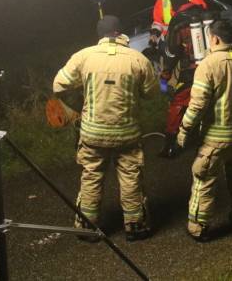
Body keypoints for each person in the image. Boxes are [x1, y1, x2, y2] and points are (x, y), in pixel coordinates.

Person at [52, 16, 158, 242]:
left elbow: (58, 84)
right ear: (120, 33)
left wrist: (81, 90)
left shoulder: (83, 56)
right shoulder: (137, 59)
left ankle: (88, 228)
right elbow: (151, 93)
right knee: (130, 177)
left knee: (91, 177)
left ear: (99, 35)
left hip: (92, 133)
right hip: (127, 133)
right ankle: (135, 226)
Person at [176, 19, 232, 242]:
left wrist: (183, 130)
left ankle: (198, 227)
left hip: (215, 138)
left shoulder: (208, 65)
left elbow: (197, 105)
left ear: (215, 38)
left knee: (204, 179)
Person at [157, 3, 211, 158]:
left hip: (192, 73)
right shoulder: (207, 20)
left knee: (178, 104)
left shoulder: (180, 25)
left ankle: (170, 146)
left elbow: (172, 54)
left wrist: (164, 80)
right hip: (213, 69)